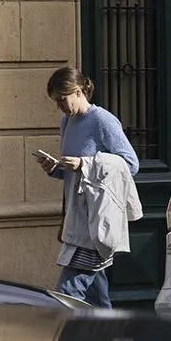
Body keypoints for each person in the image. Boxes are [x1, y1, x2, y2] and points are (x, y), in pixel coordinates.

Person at [36, 65, 140, 307]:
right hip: (76, 218)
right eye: (55, 101)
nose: (59, 106)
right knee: (97, 298)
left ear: (78, 91)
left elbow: (130, 164)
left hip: (96, 221)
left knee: (68, 294)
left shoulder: (102, 120)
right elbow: (74, 175)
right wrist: (54, 169)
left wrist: (85, 163)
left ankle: (64, 331)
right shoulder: (66, 122)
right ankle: (110, 330)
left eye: (61, 99)